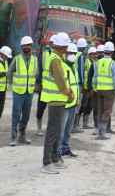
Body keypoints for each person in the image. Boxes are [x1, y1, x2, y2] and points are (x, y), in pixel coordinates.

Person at [41, 32, 74, 174]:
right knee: (52, 131)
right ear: (64, 46)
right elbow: (60, 80)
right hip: (56, 100)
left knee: (57, 130)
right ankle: (47, 162)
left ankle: (54, 158)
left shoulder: (57, 58)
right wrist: (68, 92)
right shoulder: (55, 59)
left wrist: (67, 92)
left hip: (59, 100)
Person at [7, 36, 39, 146]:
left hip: (29, 92)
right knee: (16, 114)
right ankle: (13, 137)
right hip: (18, 92)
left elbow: (37, 74)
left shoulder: (35, 60)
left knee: (26, 115)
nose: (27, 47)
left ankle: (22, 135)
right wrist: (16, 82)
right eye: (25, 45)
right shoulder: (17, 59)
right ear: (22, 47)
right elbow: (8, 74)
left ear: (31, 46)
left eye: (28, 45)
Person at [57, 43, 80, 160]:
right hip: (65, 102)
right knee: (61, 129)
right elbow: (62, 85)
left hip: (73, 102)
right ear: (66, 54)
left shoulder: (74, 67)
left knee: (68, 129)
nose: (73, 55)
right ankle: (58, 151)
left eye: (75, 54)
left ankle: (66, 148)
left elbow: (75, 85)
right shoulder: (63, 66)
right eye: (71, 53)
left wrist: (77, 99)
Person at [93, 41, 115, 140]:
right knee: (107, 111)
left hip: (99, 89)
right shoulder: (113, 63)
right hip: (109, 90)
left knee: (100, 110)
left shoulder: (98, 62)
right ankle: (102, 133)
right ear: (112, 52)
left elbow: (95, 77)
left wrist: (96, 86)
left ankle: (100, 131)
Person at [36, 35, 56, 136]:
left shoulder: (60, 56)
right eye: (52, 43)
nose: (53, 45)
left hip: (55, 88)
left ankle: (50, 128)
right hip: (44, 87)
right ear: (49, 44)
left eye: (55, 43)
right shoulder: (44, 56)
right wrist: (38, 83)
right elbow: (39, 70)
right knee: (41, 108)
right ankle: (39, 126)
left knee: (53, 110)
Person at [72, 38, 88, 133]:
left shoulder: (75, 54)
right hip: (78, 83)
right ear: (85, 47)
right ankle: (75, 126)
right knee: (78, 104)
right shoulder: (81, 56)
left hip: (73, 82)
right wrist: (82, 83)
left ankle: (74, 125)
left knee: (75, 103)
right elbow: (81, 70)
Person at [79, 46, 96, 130]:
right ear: (89, 54)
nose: (94, 55)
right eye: (92, 54)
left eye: (94, 54)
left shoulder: (95, 63)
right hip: (86, 88)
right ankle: (77, 123)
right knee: (83, 106)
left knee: (90, 106)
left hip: (92, 88)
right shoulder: (86, 62)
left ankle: (85, 123)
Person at [89, 44, 105, 135]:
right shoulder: (94, 64)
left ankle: (104, 127)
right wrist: (90, 89)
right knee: (96, 109)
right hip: (95, 91)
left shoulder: (109, 63)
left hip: (105, 90)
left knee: (104, 109)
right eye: (99, 52)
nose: (100, 54)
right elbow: (89, 77)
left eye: (102, 52)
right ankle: (96, 127)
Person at [0, 46, 13, 125]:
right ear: (1, 54)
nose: (7, 58)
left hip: (3, 89)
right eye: (6, 56)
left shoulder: (5, 63)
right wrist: (6, 73)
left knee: (1, 108)